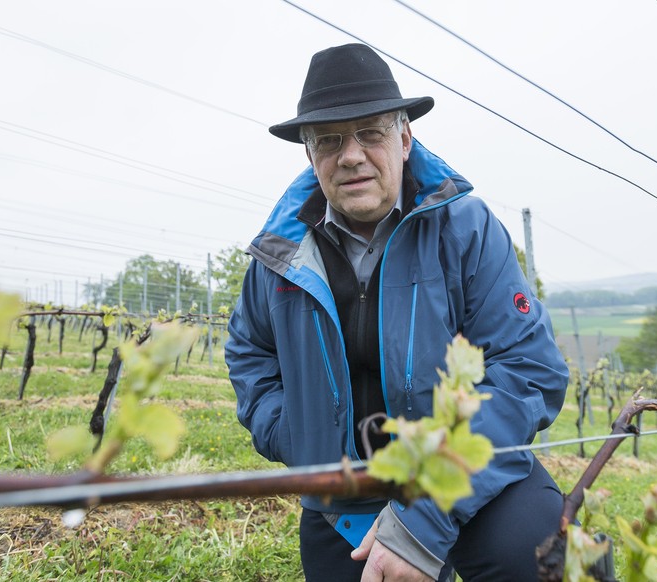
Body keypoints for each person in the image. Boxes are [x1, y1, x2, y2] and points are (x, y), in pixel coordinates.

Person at [225, 43, 570, 581]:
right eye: (330, 141)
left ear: (405, 139)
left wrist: (422, 520)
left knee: (541, 559)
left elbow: (528, 369)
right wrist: (295, 435)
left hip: (471, 477)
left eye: (371, 132)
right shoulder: (278, 256)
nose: (352, 155)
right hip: (344, 500)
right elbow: (250, 353)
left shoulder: (467, 230)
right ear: (310, 155)